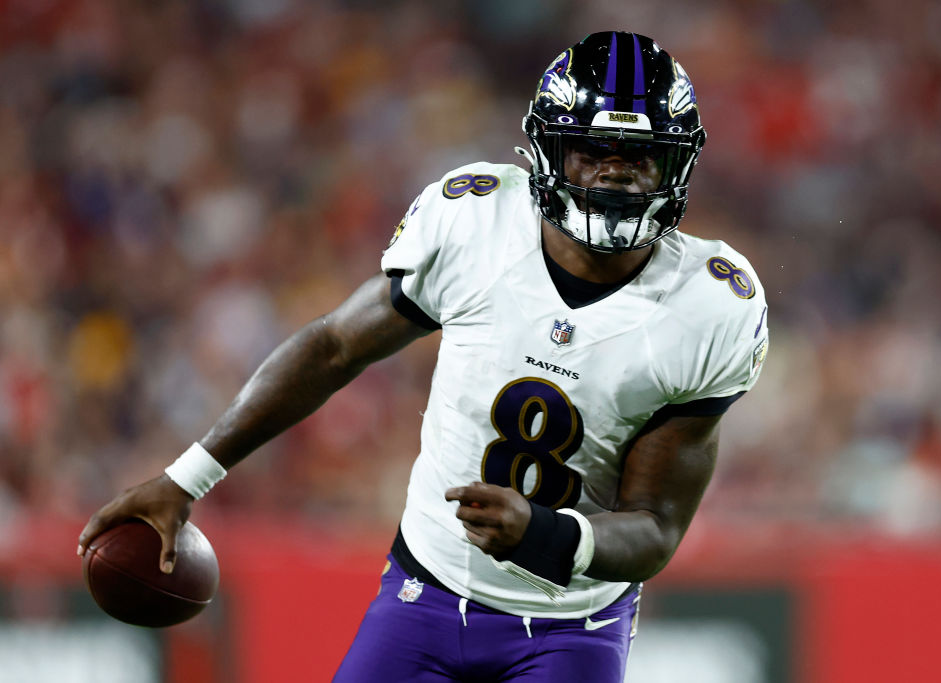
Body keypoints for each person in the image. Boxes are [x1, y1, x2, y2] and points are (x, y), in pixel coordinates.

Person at [78, 31, 769, 682]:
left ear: (677, 163)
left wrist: (546, 533)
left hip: (573, 621)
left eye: (638, 157)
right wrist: (186, 477)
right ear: (547, 152)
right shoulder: (475, 223)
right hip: (426, 589)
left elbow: (654, 525)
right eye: (592, 150)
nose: (615, 176)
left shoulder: (705, 305)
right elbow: (332, 346)